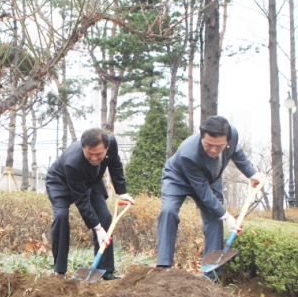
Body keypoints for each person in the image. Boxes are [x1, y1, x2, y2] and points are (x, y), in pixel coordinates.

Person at [156, 115, 265, 277]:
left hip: (209, 179)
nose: (213, 150)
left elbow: (237, 154)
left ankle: (212, 274)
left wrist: (252, 173)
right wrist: (227, 216)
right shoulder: (188, 152)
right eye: (208, 144)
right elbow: (203, 191)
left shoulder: (232, 135)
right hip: (177, 179)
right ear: (201, 136)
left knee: (215, 218)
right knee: (169, 211)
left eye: (219, 146)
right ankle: (163, 266)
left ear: (227, 140)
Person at [45, 128, 135, 280]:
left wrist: (121, 191)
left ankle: (105, 271)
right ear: (82, 147)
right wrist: (97, 228)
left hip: (91, 181)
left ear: (106, 148)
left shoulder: (112, 143)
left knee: (105, 217)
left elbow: (115, 165)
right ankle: (59, 272)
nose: (94, 158)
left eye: (99, 154)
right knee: (61, 217)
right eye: (89, 154)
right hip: (60, 182)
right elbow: (81, 199)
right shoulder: (73, 162)